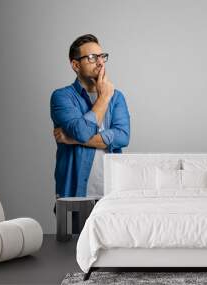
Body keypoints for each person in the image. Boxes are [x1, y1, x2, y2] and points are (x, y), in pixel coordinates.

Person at [50, 34, 130, 230]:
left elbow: (123, 136)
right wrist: (104, 97)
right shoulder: (62, 97)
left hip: (112, 190)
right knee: (77, 251)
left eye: (102, 56)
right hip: (77, 189)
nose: (100, 62)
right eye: (92, 57)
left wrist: (73, 139)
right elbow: (82, 131)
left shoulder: (117, 97)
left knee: (113, 248)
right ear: (75, 65)